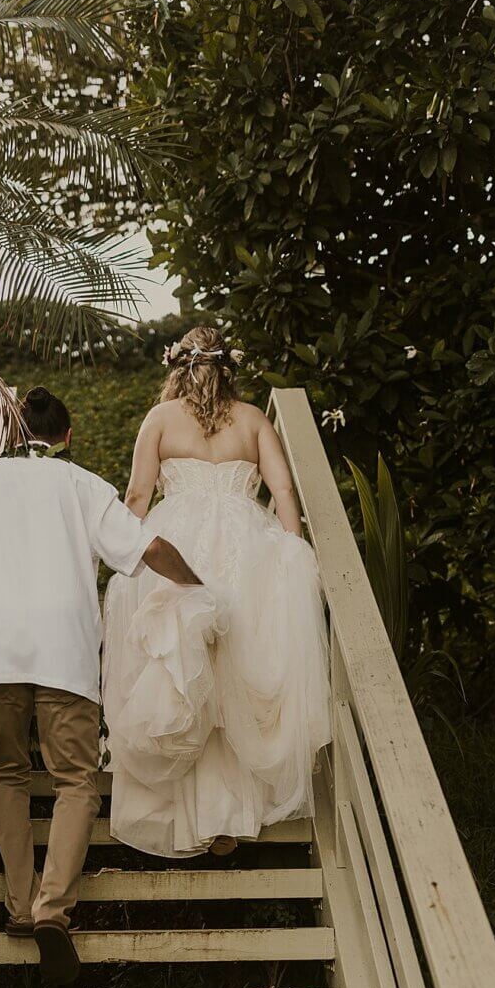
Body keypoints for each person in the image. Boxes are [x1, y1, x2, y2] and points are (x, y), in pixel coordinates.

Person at [0, 385, 199, 988]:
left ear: (11, 438)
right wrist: (200, 587)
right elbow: (151, 548)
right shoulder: (83, 486)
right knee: (76, 782)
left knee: (7, 774)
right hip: (65, 655)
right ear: (67, 437)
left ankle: (17, 906)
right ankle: (52, 911)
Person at [102, 328, 332, 861]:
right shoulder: (253, 419)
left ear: (178, 368)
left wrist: (120, 560)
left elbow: (137, 495)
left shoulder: (159, 420)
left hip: (176, 550)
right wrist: (290, 552)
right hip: (245, 550)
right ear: (229, 368)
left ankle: (179, 813)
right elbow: (284, 491)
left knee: (179, 670)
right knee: (234, 667)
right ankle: (229, 813)